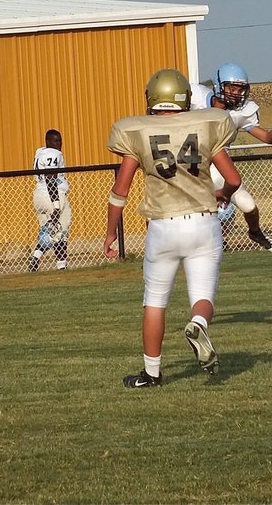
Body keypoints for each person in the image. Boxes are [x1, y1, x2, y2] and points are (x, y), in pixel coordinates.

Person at [104, 68, 241, 387]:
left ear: (152, 97)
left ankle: (151, 373)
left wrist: (111, 234)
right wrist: (225, 193)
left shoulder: (136, 130)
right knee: (203, 295)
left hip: (163, 226)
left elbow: (119, 192)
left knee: (155, 299)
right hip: (204, 223)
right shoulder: (207, 124)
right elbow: (233, 179)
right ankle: (197, 323)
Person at [190, 62, 272, 252]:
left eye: (240, 89)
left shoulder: (241, 112)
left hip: (218, 163)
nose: (236, 93)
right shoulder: (195, 97)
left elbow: (267, 138)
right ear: (218, 85)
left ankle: (255, 232)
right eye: (232, 88)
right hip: (190, 161)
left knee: (248, 206)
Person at [29, 129, 72, 272]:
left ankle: (35, 258)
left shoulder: (39, 152)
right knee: (61, 229)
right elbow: (51, 178)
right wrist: (56, 205)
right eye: (55, 140)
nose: (59, 144)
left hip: (39, 194)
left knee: (49, 231)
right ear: (48, 141)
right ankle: (61, 265)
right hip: (52, 195)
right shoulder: (53, 154)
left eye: (60, 140)